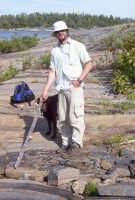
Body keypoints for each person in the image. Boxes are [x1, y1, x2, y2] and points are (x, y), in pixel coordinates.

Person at [41, 21, 92, 153]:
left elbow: (88, 64)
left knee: (76, 116)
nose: (60, 33)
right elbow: (52, 72)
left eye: (62, 30)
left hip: (75, 88)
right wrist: (46, 89)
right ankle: (66, 142)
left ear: (67, 31)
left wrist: (80, 80)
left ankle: (76, 142)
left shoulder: (78, 46)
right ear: (55, 34)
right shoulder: (54, 51)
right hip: (61, 89)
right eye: (58, 32)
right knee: (63, 118)